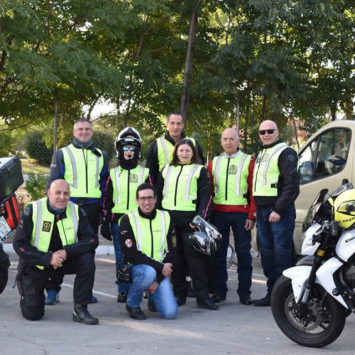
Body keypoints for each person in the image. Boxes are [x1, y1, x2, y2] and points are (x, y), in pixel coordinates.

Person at [13, 179, 99, 324]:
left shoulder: (77, 210)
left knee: (87, 260)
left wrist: (67, 251)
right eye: (57, 193)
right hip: (37, 262)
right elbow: (19, 245)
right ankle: (26, 294)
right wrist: (48, 258)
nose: (62, 197)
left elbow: (92, 240)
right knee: (33, 314)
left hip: (63, 260)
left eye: (66, 193)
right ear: (48, 193)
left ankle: (80, 310)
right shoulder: (33, 210)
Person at [46, 118, 108, 305]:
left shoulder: (101, 155)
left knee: (88, 248)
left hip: (91, 208)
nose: (84, 132)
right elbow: (53, 182)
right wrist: (53, 207)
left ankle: (85, 292)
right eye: (80, 129)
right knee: (59, 246)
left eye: (87, 129)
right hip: (67, 207)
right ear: (74, 132)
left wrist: (104, 208)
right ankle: (52, 290)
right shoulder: (62, 153)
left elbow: (105, 183)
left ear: (92, 131)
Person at [157, 138, 217, 310]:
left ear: (193, 153)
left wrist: (199, 220)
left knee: (196, 261)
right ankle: (179, 295)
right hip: (170, 221)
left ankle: (202, 297)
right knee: (176, 260)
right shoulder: (166, 169)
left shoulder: (200, 171)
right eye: (181, 150)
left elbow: (206, 197)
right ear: (176, 152)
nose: (184, 153)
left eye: (187, 151)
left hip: (190, 222)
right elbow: (159, 195)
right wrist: (160, 216)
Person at [207, 128, 256, 305]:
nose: (228, 142)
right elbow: (209, 191)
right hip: (219, 214)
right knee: (219, 254)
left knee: (244, 254)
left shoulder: (248, 161)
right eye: (225, 139)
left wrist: (252, 215)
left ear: (238, 141)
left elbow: (253, 190)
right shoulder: (214, 162)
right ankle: (220, 291)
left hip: (242, 214)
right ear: (221, 141)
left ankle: (245, 293)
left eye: (232, 139)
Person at [101, 127, 151, 303]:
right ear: (119, 149)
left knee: (142, 256)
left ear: (137, 150)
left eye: (132, 148)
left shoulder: (145, 173)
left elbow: (152, 198)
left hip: (141, 220)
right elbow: (106, 199)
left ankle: (144, 288)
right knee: (122, 258)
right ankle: (123, 290)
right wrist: (106, 221)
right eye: (125, 147)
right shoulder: (112, 174)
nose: (129, 151)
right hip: (119, 221)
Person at [252, 120, 299, 306]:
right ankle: (273, 294)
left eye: (270, 131)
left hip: (279, 212)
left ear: (277, 132)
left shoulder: (285, 152)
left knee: (282, 256)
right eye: (262, 132)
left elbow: (292, 185)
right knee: (267, 256)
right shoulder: (262, 153)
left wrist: (278, 210)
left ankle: (286, 298)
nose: (266, 134)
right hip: (263, 212)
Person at [119, 183, 178, 320]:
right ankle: (132, 304)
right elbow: (131, 254)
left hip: (159, 272)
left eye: (150, 198)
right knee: (148, 273)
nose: (147, 202)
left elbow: (172, 250)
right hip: (137, 269)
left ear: (156, 199)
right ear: (137, 200)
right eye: (143, 198)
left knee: (170, 313)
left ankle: (153, 298)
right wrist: (160, 268)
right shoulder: (128, 219)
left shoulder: (166, 217)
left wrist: (158, 280)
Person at [146, 112, 205, 184]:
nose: (175, 127)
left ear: (182, 125)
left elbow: (201, 168)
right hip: (164, 190)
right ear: (167, 124)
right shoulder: (156, 144)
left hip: (189, 189)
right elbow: (150, 173)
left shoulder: (193, 143)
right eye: (172, 123)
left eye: (178, 123)